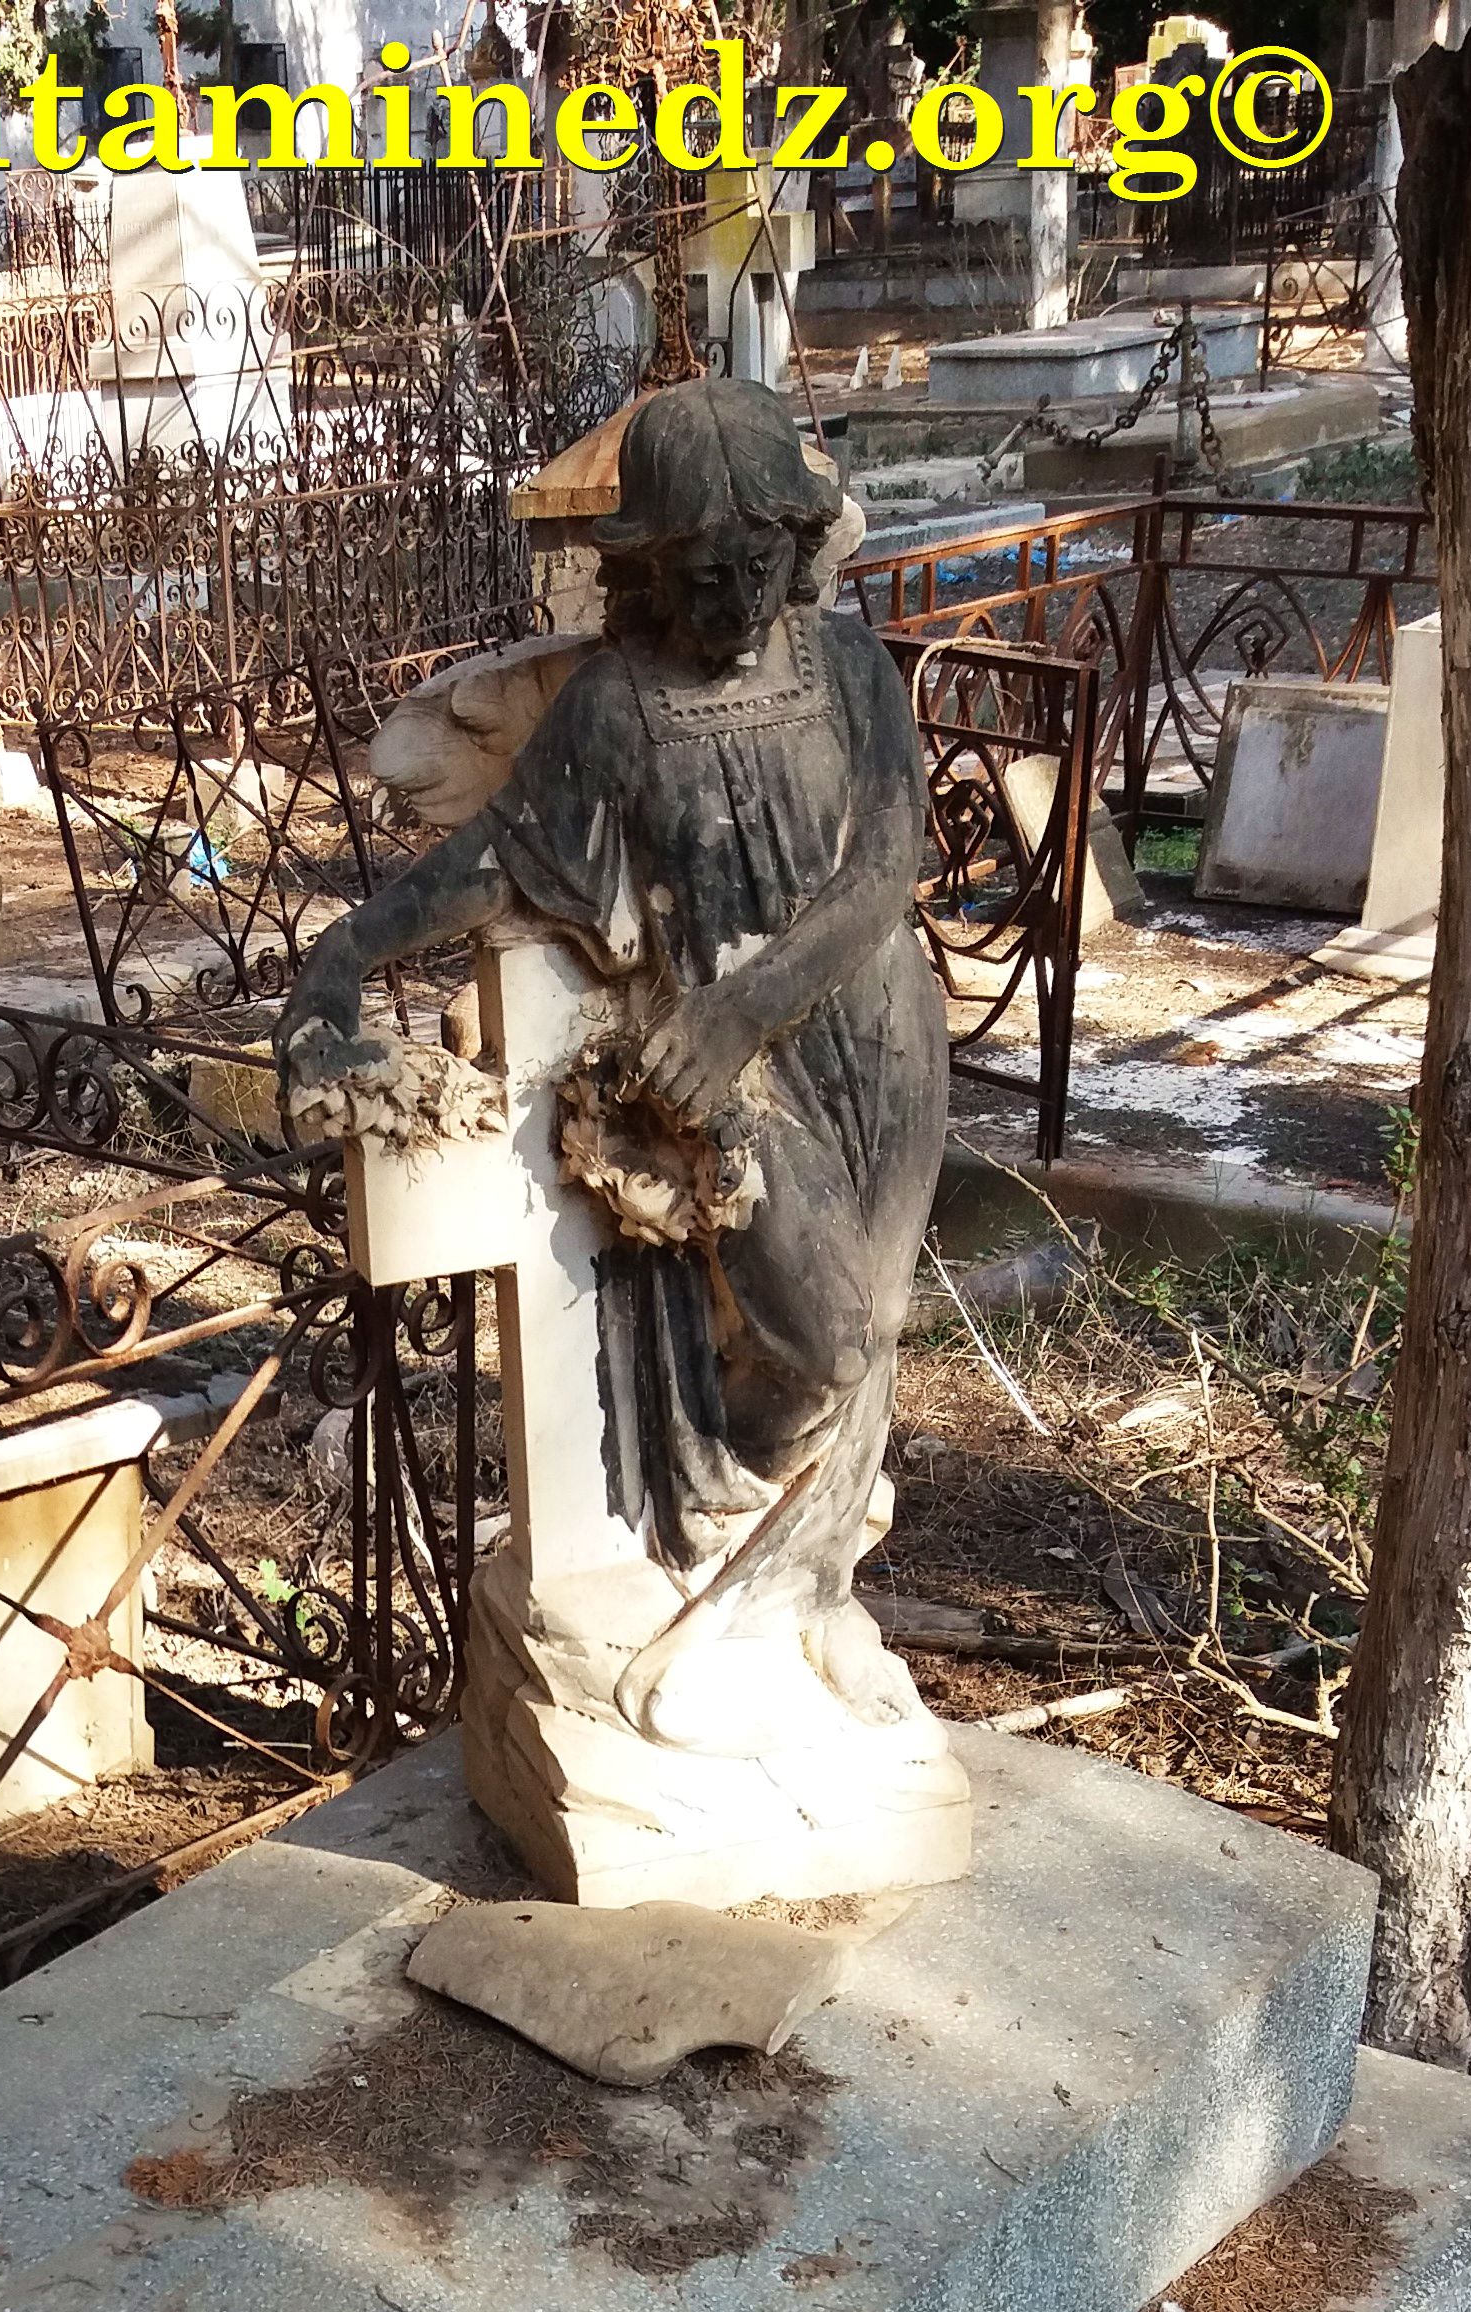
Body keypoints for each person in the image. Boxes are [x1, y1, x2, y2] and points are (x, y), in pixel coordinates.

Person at [280, 374, 947, 1759]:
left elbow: (889, 866)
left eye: (755, 566)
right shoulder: (614, 710)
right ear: (642, 566)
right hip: (729, 1084)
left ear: (797, 546)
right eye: (696, 573)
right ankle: (754, 1585)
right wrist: (348, 949)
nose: (726, 600)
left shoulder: (851, 671)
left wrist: (749, 1001)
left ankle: (812, 1597)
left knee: (874, 1336)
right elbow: (491, 865)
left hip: (878, 1039)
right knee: (833, 1340)